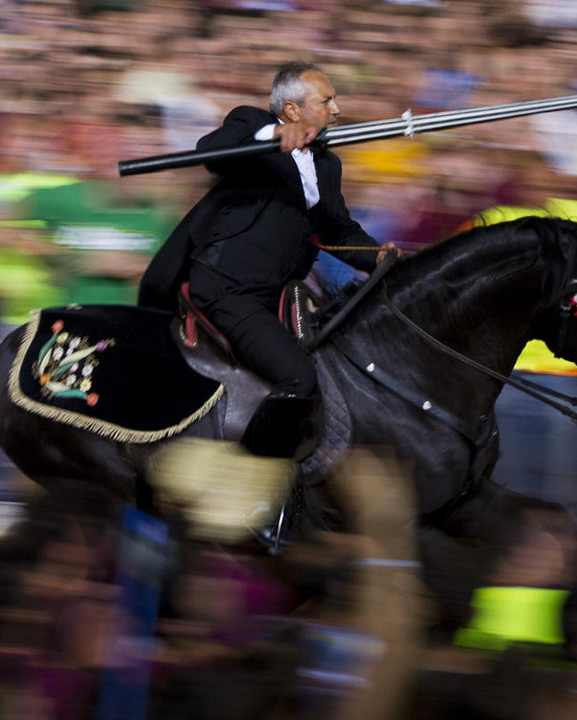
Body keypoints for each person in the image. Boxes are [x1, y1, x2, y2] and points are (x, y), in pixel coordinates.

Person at [138, 62, 397, 460]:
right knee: (298, 378)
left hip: (279, 294)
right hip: (229, 290)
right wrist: (272, 135)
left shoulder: (327, 163)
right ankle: (249, 473)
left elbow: (338, 229)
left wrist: (376, 255)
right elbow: (211, 150)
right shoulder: (252, 123)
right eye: (326, 100)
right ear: (292, 110)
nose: (337, 109)